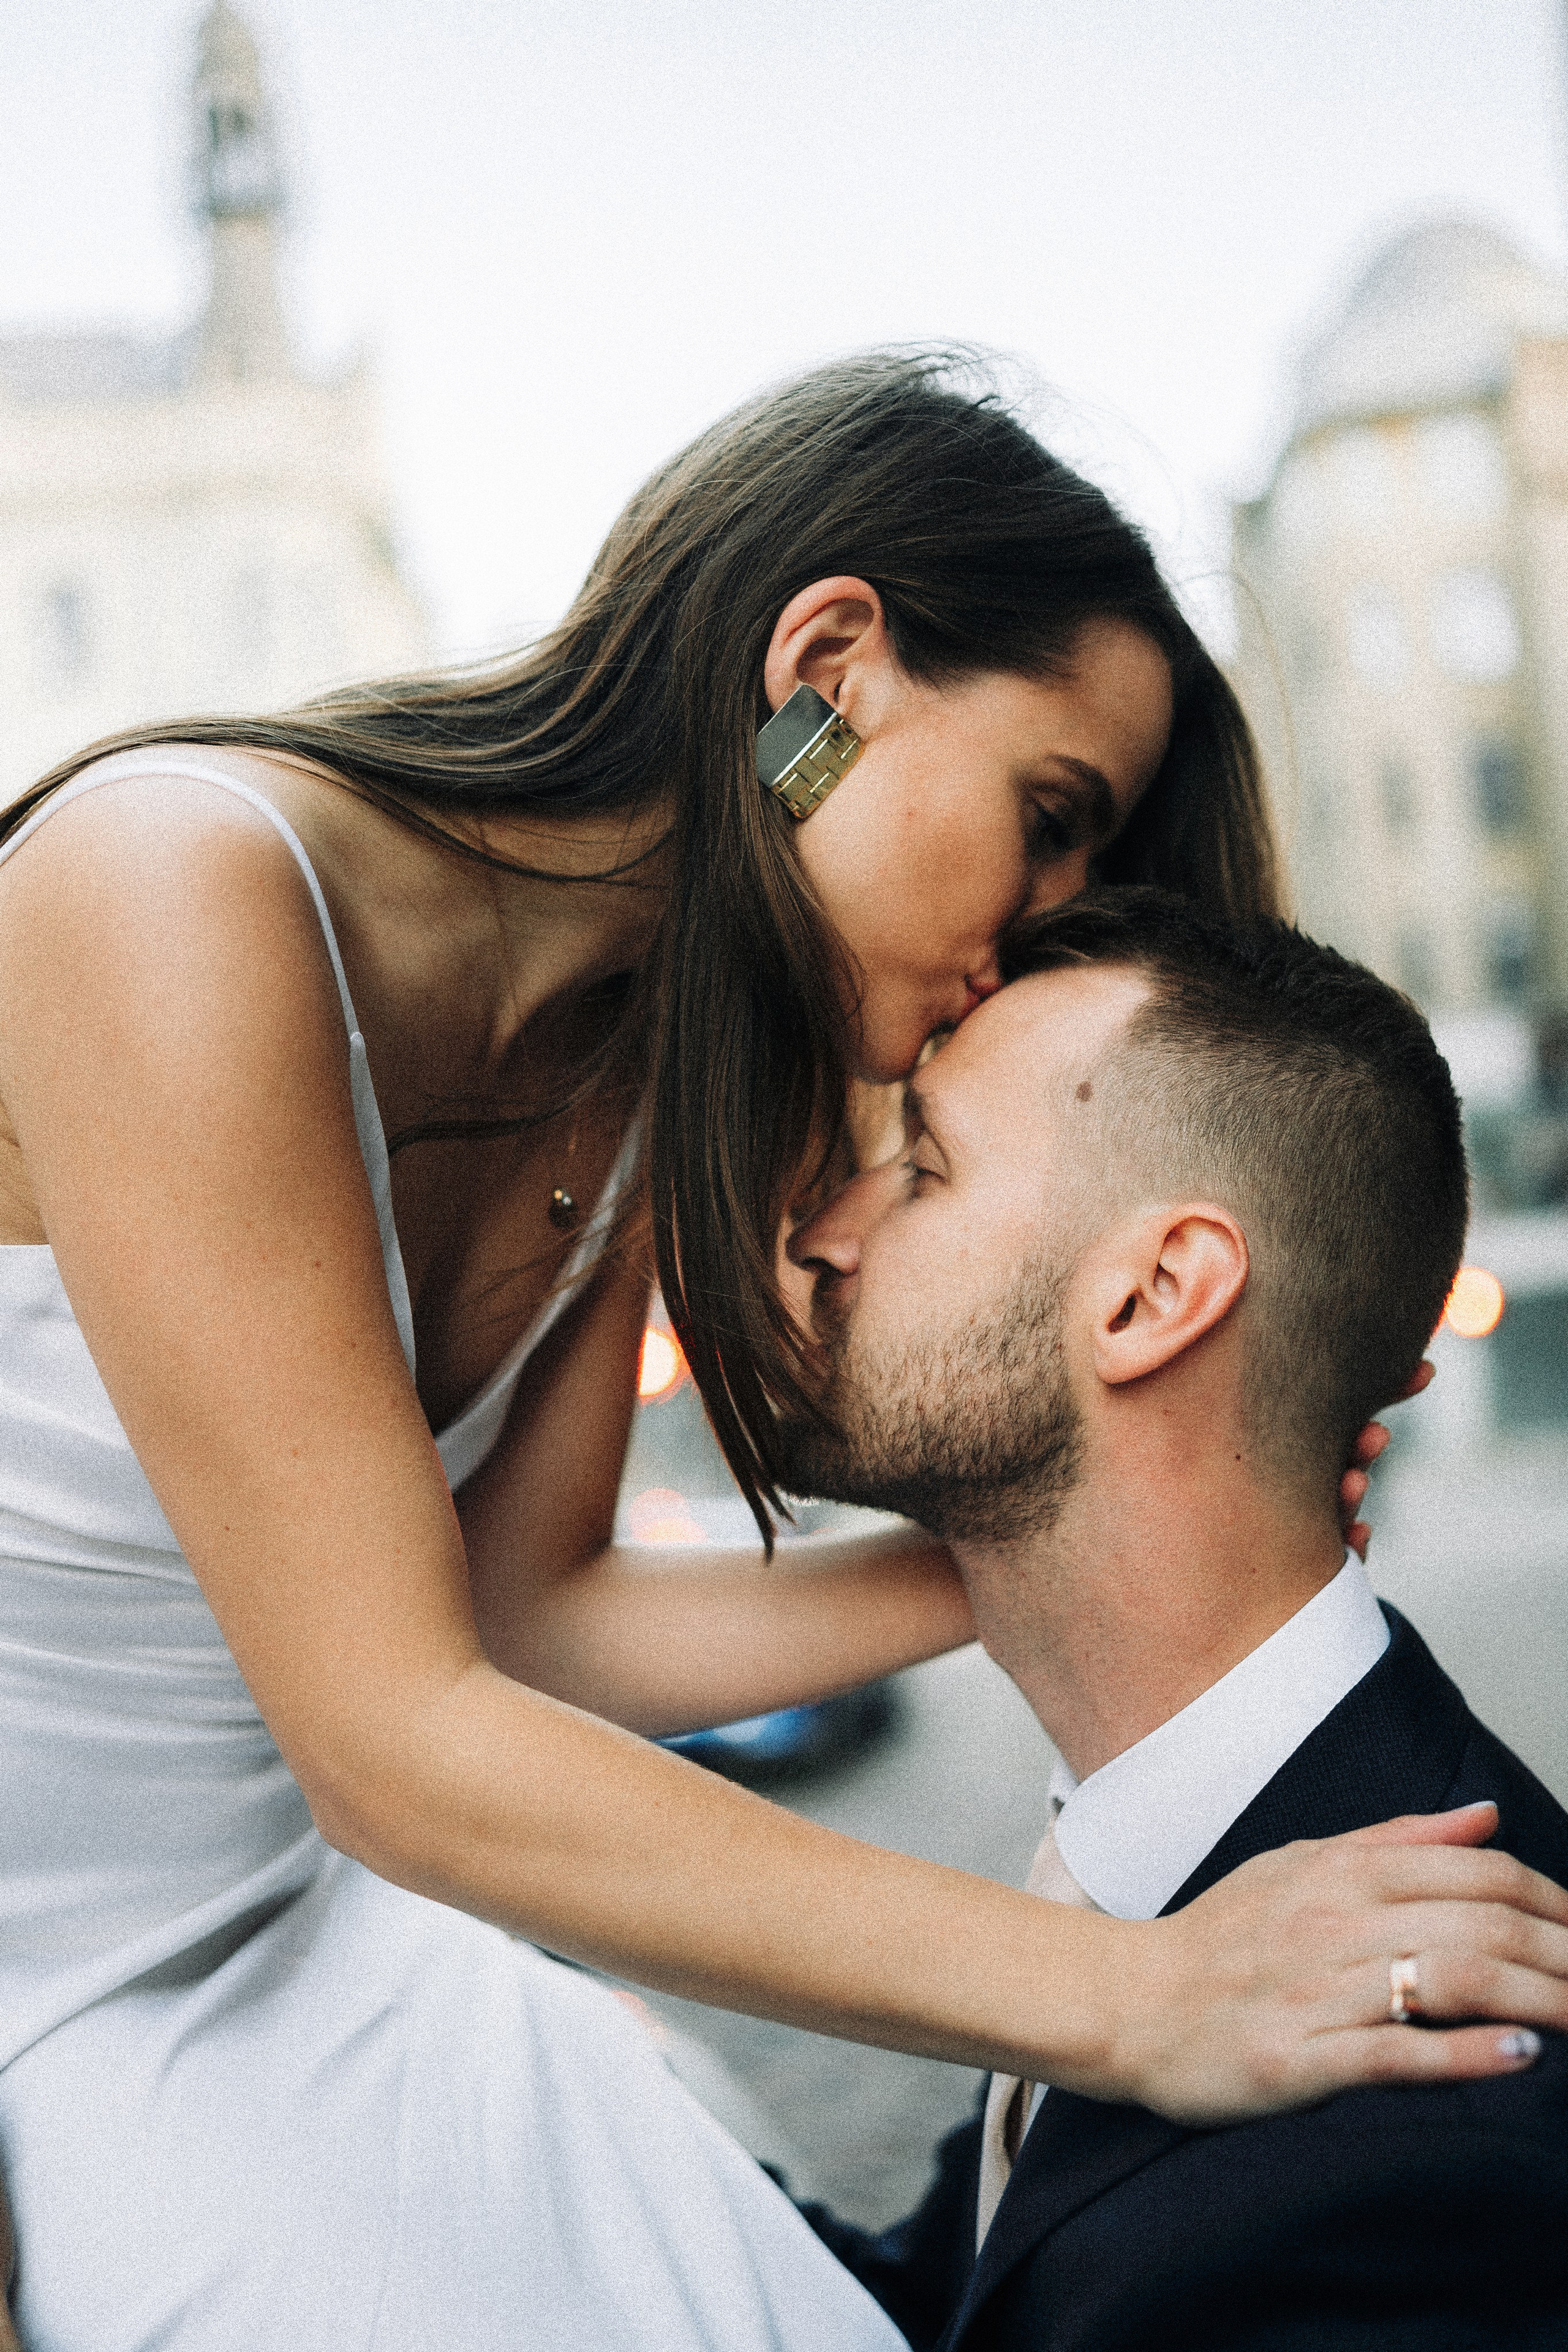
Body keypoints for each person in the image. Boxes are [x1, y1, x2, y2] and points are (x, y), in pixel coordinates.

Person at [2, 357, 1566, 2348]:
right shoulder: (175, 888)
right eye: (1051, 813)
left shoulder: (632, 1074)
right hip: (58, 1989)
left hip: (316, 1929)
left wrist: (1025, 1547)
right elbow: (394, 1741)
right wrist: (1137, 1997)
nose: (1040, 924)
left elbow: (521, 1616)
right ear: (830, 667)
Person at [782, 887, 1568, 2350]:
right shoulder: (1153, 1856)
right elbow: (956, 2299)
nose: (823, 1232)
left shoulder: (1432, 2145)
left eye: (923, 1168)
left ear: (1152, 1295)